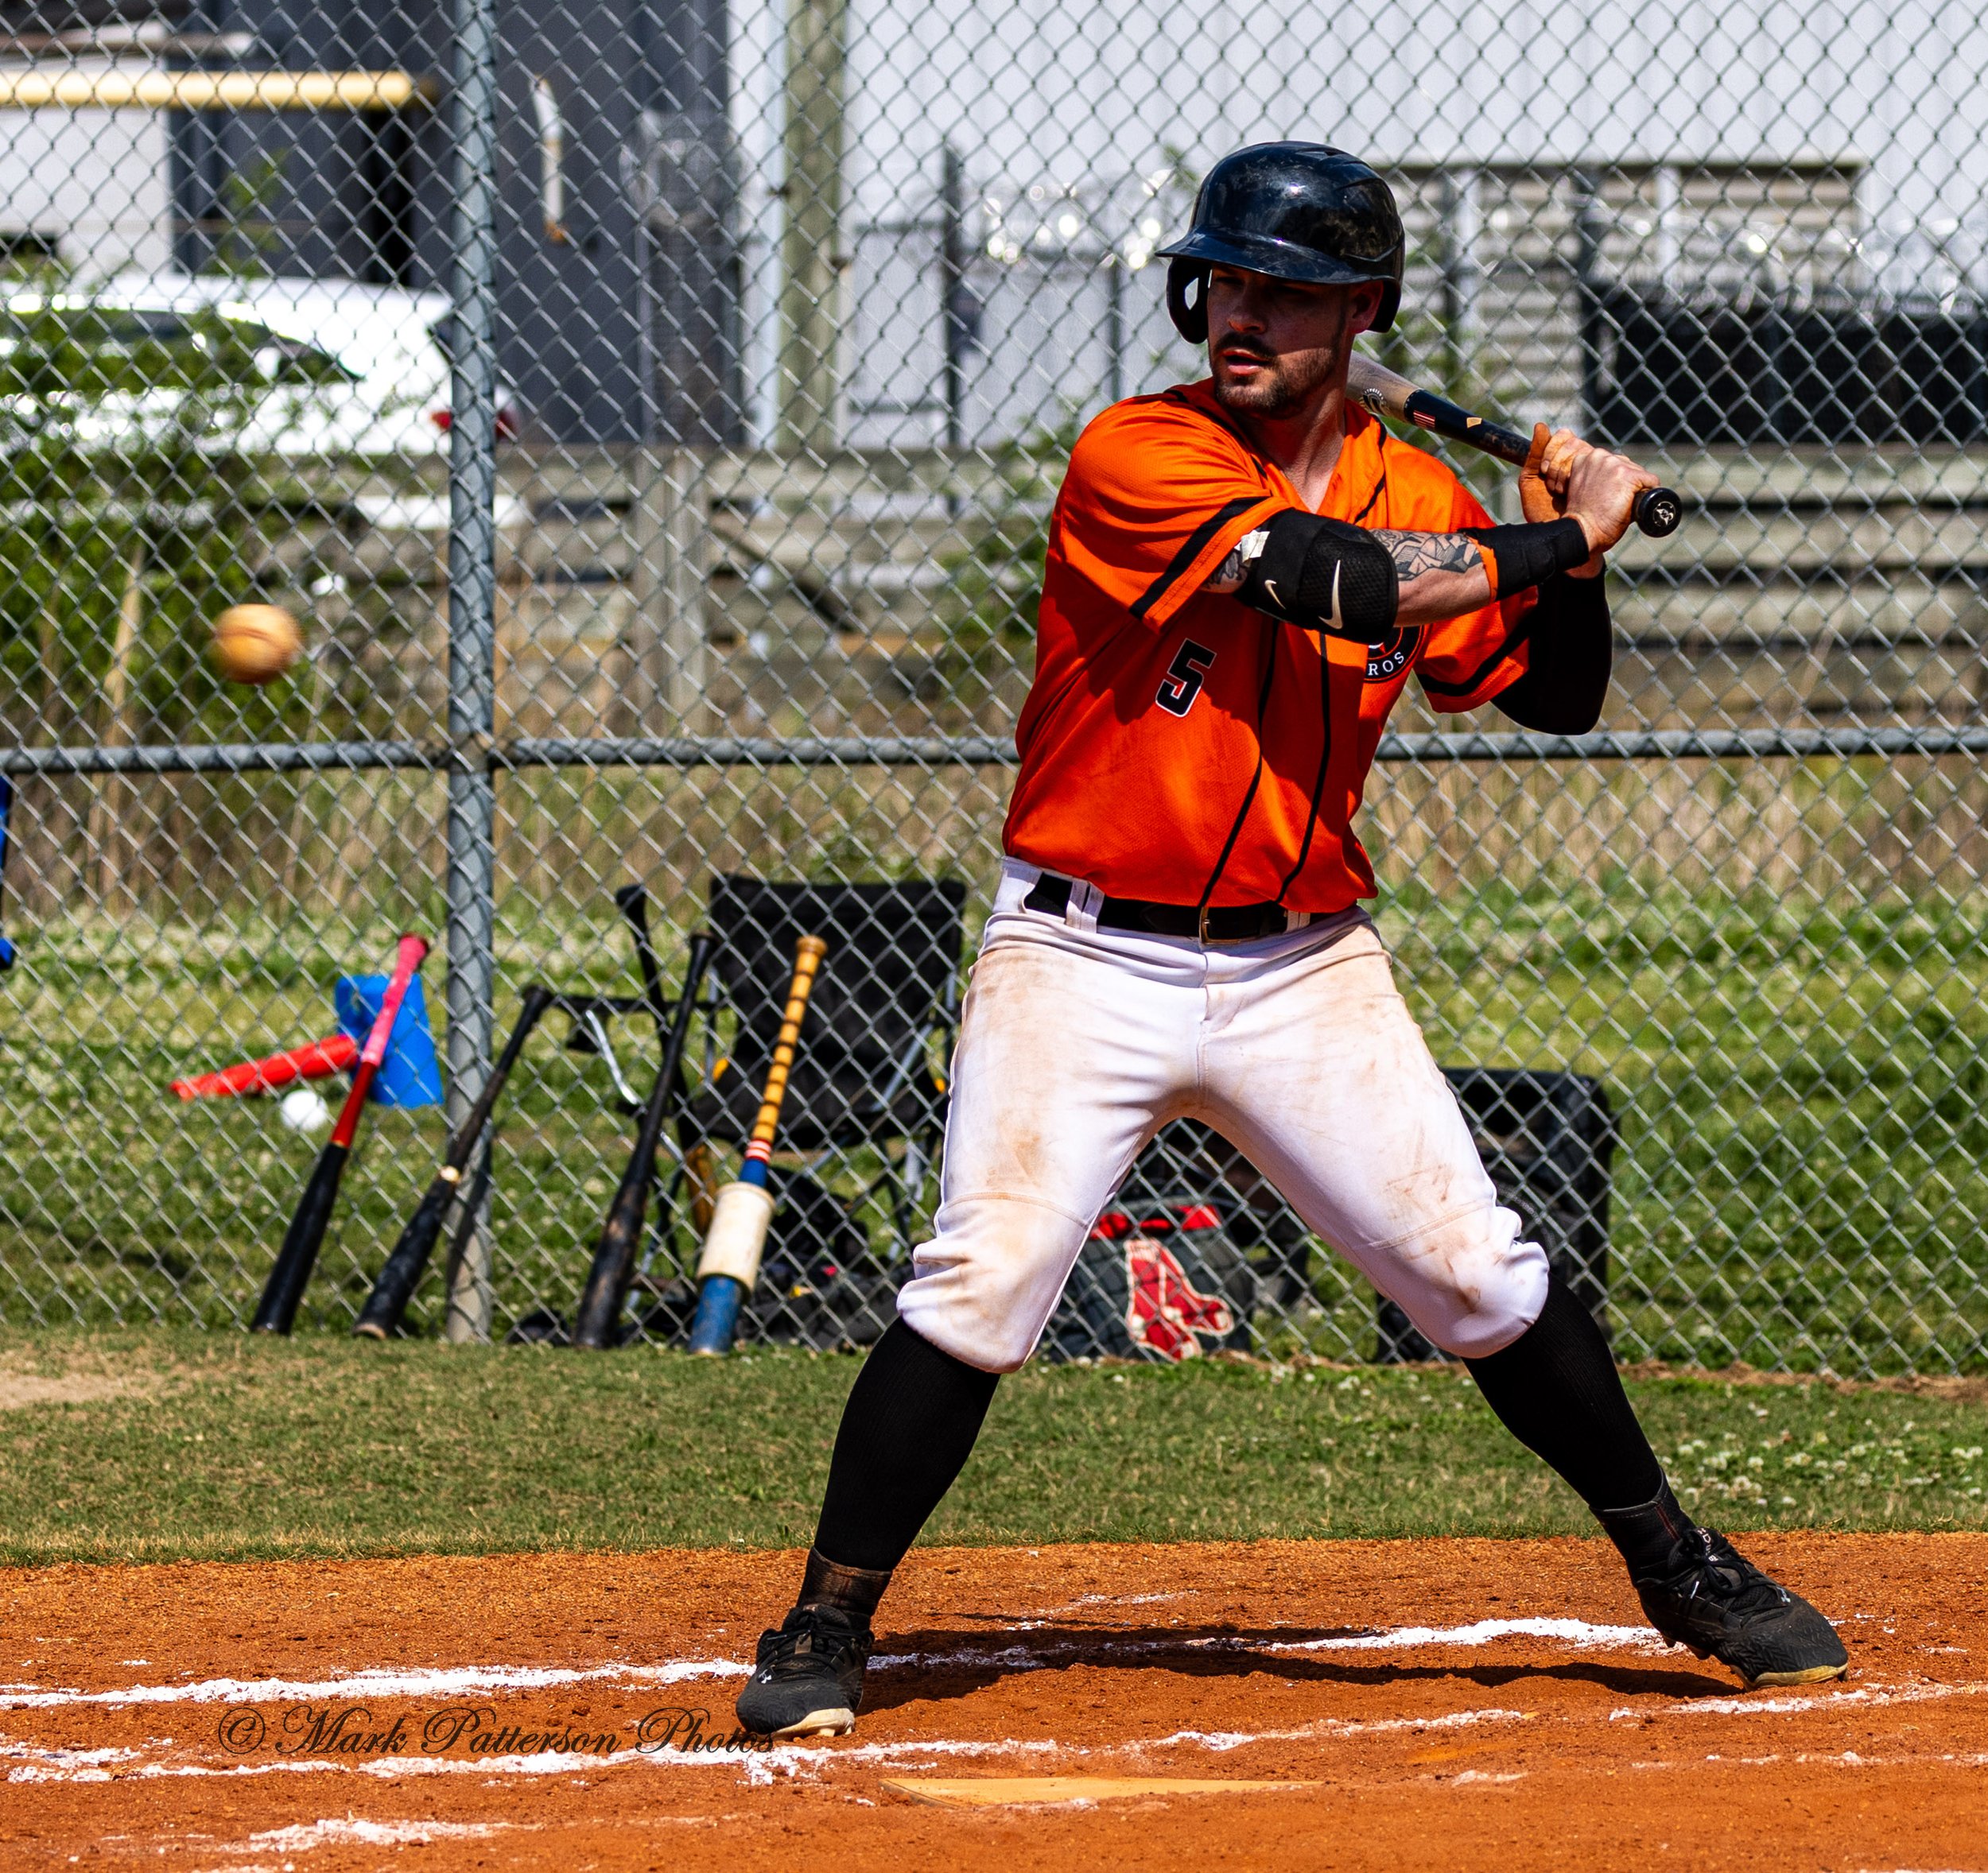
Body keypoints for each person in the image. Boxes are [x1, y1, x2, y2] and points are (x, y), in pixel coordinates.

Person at [734, 142, 1849, 1739]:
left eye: (1289, 292)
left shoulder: (1420, 488)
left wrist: (1564, 539)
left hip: (1300, 962)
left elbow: (1551, 693)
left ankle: (1680, 1567)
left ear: (1361, 311)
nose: (1242, 314)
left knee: (1475, 1270)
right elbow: (1327, 581)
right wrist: (1562, 541)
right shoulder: (1138, 450)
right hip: (1084, 954)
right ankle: (826, 1616)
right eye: (1228, 283)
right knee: (982, 1279)